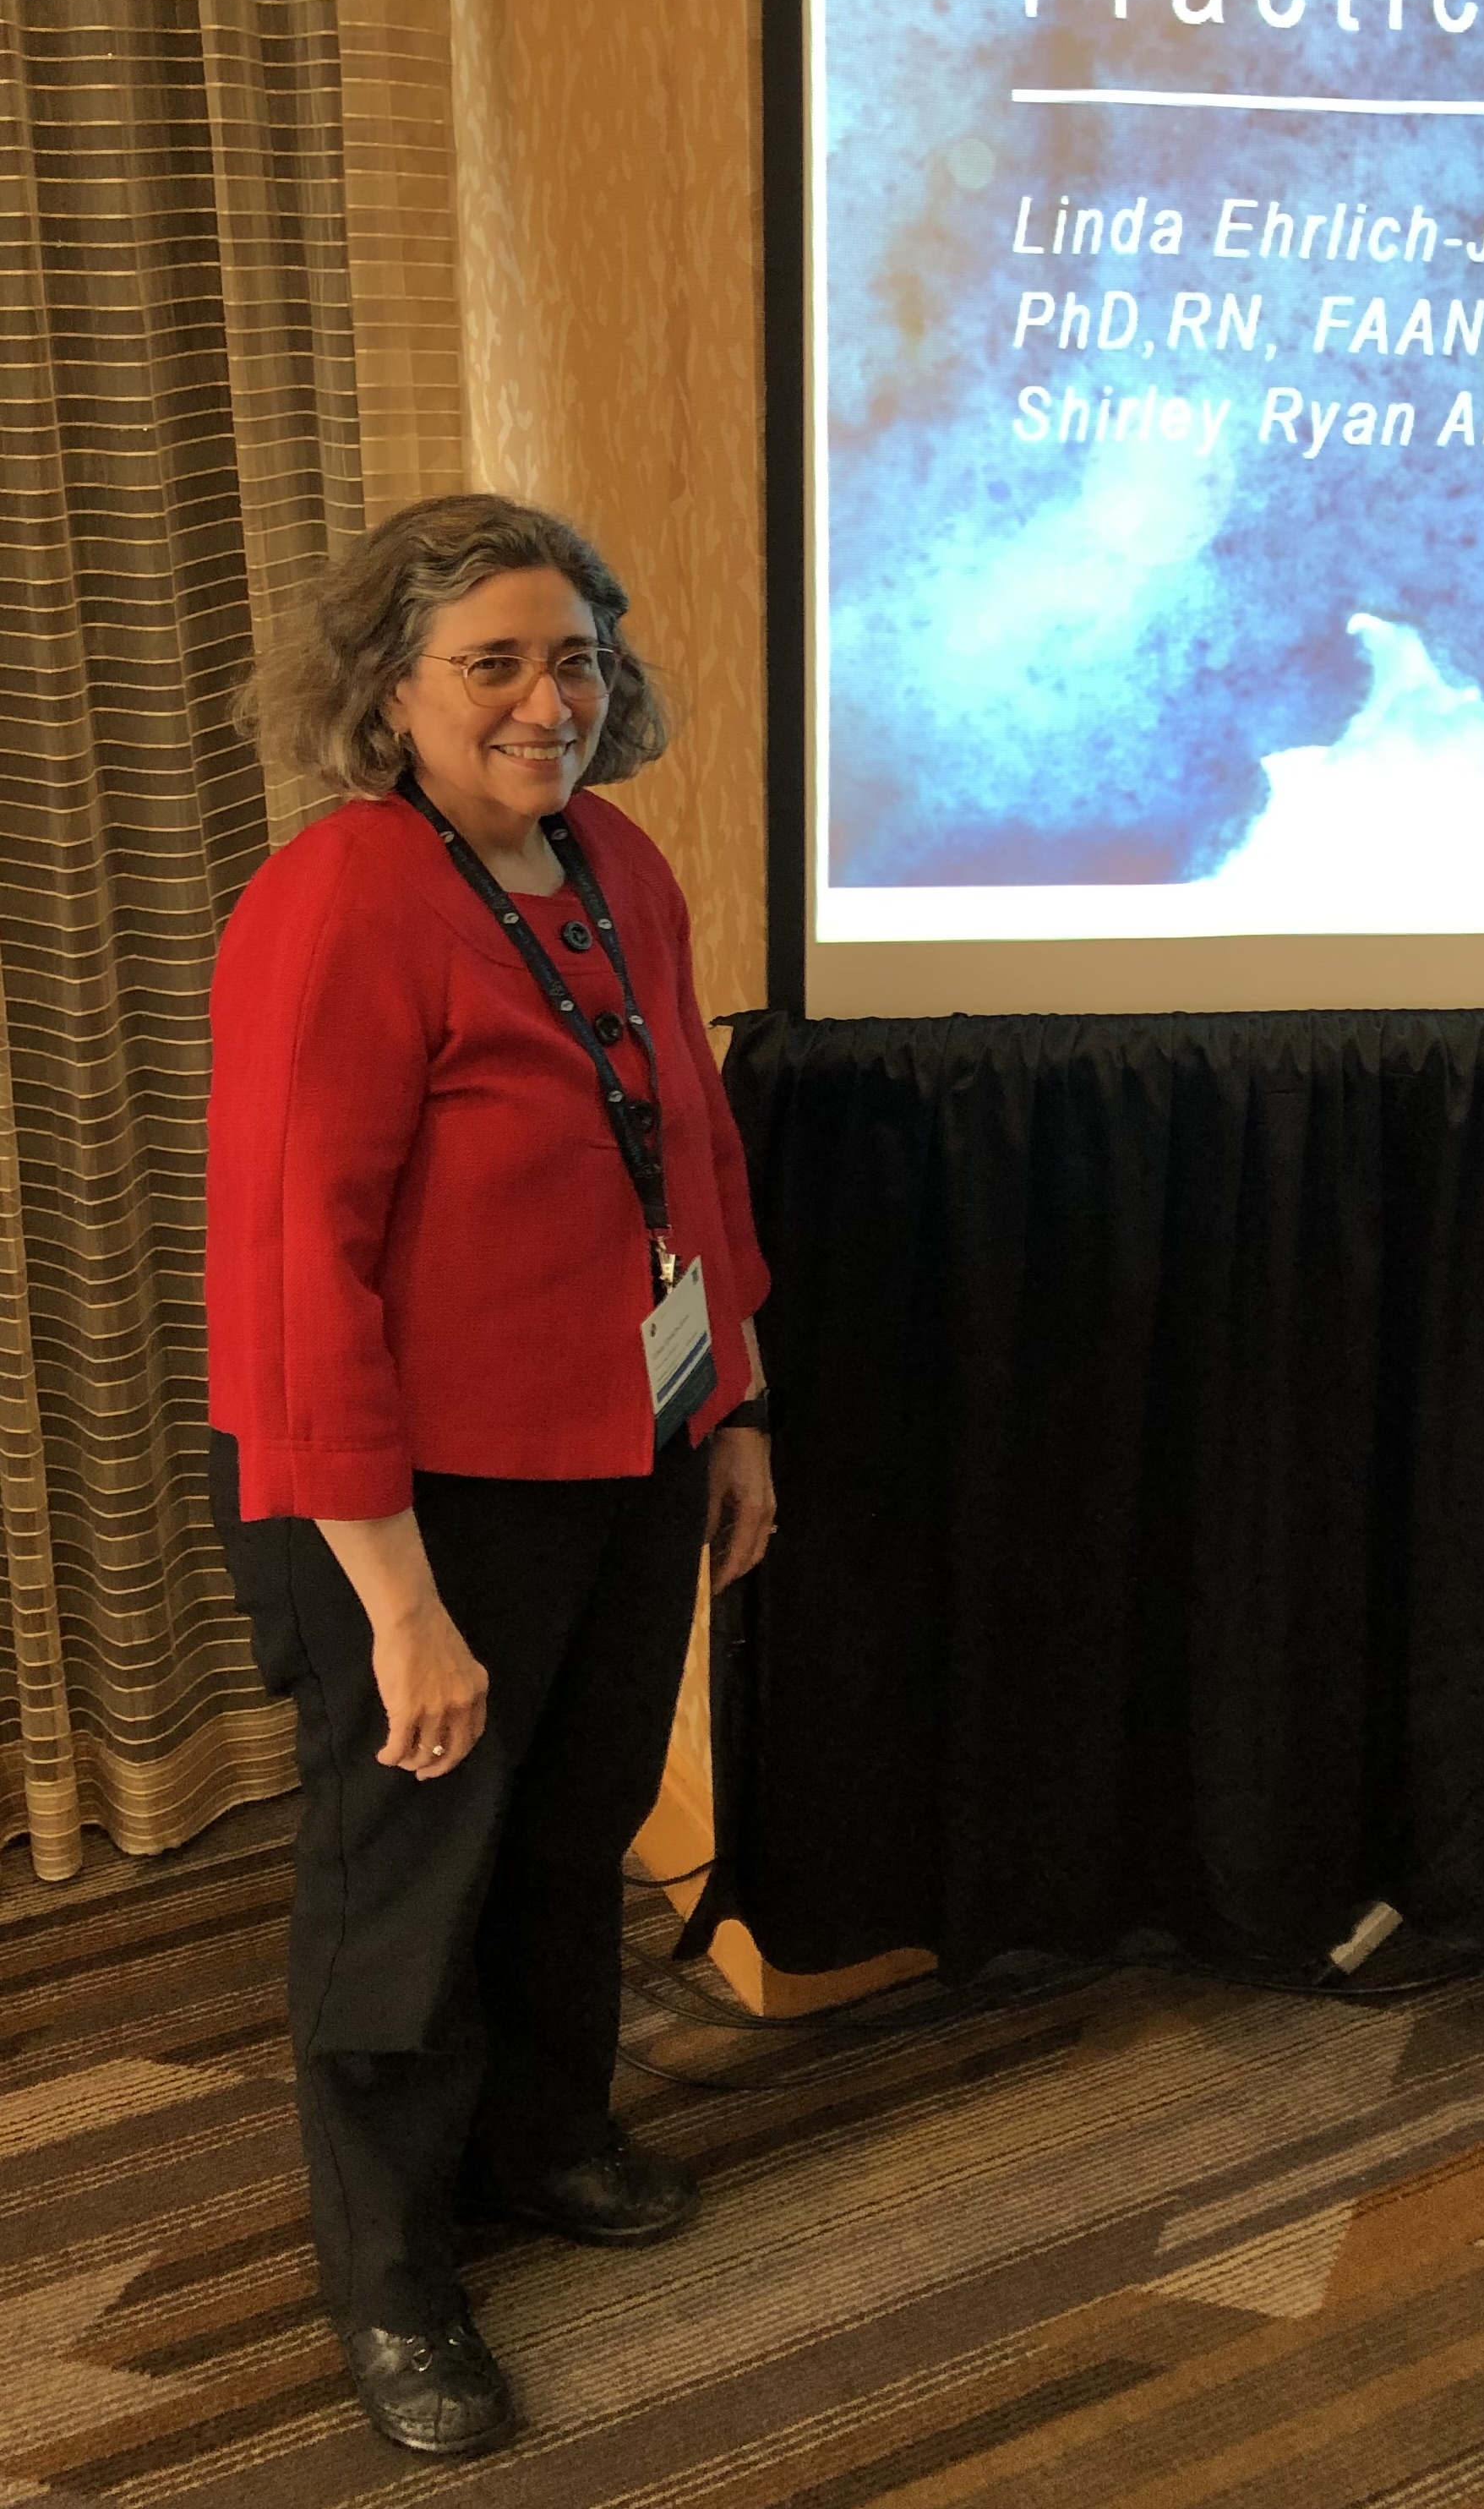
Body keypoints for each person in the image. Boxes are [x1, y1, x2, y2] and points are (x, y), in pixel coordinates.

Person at [206, 494, 775, 2460]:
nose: (552, 699)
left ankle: (543, 2141)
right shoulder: (340, 900)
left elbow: (686, 1145)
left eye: (578, 658)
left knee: (572, 1825)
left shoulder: (613, 858)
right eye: (497, 663)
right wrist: (397, 1604)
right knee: (406, 1883)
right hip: (399, 1498)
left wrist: (736, 1409)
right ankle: (389, 2274)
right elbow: (298, 1278)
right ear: (390, 693)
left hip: (618, 1451)